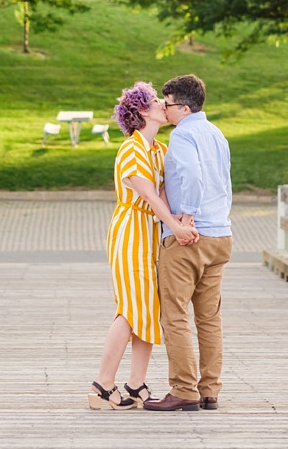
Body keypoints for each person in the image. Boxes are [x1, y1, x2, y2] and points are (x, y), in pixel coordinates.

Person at [88, 80, 199, 411]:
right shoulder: (131, 150)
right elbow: (150, 197)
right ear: (140, 111)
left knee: (148, 309)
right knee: (131, 309)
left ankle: (136, 384)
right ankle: (102, 386)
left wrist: (181, 220)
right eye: (154, 101)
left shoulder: (158, 150)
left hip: (151, 234)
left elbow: (164, 195)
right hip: (130, 234)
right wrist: (175, 226)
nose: (162, 105)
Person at [144, 74, 233, 413]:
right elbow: (222, 181)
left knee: (175, 314)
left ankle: (184, 389)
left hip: (189, 239)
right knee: (209, 318)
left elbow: (193, 176)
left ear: (182, 107)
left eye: (167, 105)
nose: (163, 110)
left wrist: (188, 216)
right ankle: (210, 389)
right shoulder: (215, 133)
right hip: (221, 235)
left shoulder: (182, 135)